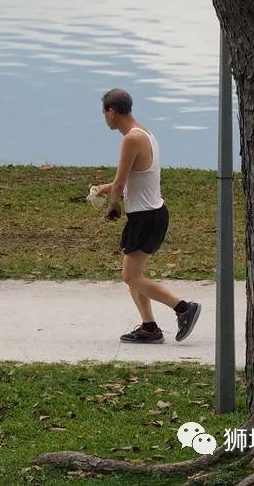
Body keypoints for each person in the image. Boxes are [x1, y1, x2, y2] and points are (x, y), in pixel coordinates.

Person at [93, 88, 199, 344]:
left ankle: (183, 308)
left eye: (104, 113)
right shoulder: (146, 134)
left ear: (112, 112)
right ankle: (149, 327)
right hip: (151, 214)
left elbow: (120, 184)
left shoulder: (130, 138)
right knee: (133, 276)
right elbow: (131, 178)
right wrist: (105, 189)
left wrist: (113, 204)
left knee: (130, 276)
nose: (104, 118)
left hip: (146, 217)